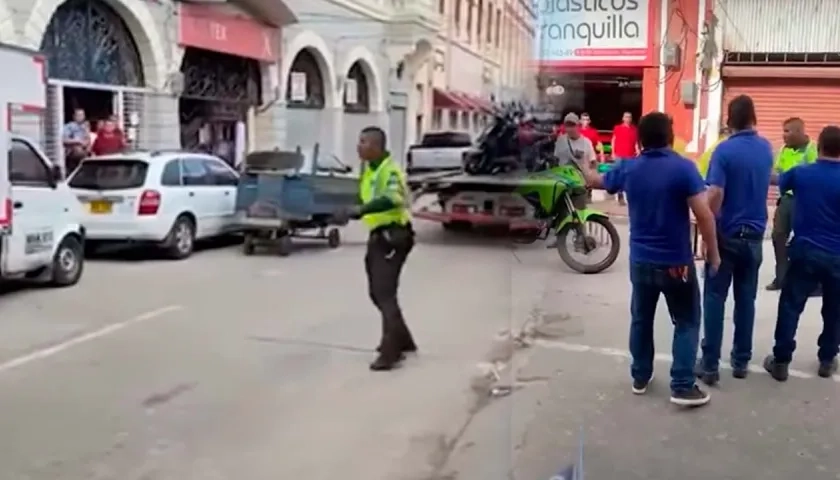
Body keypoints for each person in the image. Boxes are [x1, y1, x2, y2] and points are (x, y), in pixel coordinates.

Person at [580, 111, 720, 408]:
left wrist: (584, 165)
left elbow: (596, 180)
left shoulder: (629, 168)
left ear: (640, 140)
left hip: (641, 261)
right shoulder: (684, 168)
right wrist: (713, 252)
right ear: (670, 136)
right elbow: (704, 215)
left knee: (641, 319)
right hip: (676, 263)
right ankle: (682, 385)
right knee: (686, 320)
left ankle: (640, 376)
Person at [696, 95, 774, 386]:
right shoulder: (766, 149)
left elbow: (715, 193)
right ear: (753, 117)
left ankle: (710, 364)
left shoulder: (724, 151)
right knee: (746, 299)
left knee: (714, 298)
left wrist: (707, 231)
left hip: (726, 234)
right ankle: (741, 360)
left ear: (729, 120)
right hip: (754, 236)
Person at [763, 125, 840, 381]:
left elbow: (778, 180)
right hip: (837, 254)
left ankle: (781, 361)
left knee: (790, 306)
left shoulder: (801, 173)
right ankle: (827, 359)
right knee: (835, 310)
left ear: (819, 146)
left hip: (805, 250)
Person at [337, 127, 417, 371]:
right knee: (377, 293)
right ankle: (404, 340)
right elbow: (365, 197)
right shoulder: (370, 169)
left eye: (363, 142)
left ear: (376, 146)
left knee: (384, 293)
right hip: (378, 236)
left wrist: (361, 210)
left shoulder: (389, 170)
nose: (358, 146)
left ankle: (391, 352)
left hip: (394, 236)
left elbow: (393, 198)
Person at [766, 117, 818, 291]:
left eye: (787, 131)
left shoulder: (812, 150)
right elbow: (776, 173)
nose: (784, 135)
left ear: (799, 131)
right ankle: (781, 277)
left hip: (805, 200)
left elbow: (816, 175)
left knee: (805, 240)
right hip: (786, 200)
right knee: (778, 236)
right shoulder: (783, 150)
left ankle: (809, 279)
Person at [554, 112, 597, 203]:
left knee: (580, 208)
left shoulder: (586, 142)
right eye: (567, 126)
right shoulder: (560, 141)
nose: (570, 129)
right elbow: (555, 160)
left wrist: (592, 178)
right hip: (564, 185)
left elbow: (593, 162)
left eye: (572, 125)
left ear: (578, 126)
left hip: (581, 186)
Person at [610, 112, 640, 205]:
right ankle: (620, 194)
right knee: (619, 174)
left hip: (630, 156)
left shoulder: (634, 129)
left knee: (628, 176)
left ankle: (628, 195)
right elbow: (613, 140)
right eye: (626, 117)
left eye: (629, 117)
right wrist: (613, 152)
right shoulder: (617, 128)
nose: (628, 119)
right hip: (619, 155)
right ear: (623, 118)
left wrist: (638, 150)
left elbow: (636, 142)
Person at [62, 108, 90, 172]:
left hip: (84, 153)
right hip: (72, 153)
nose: (81, 117)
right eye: (78, 115)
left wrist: (87, 132)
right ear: (74, 116)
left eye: (82, 115)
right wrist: (77, 141)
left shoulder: (85, 126)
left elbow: (87, 140)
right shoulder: (69, 126)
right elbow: (64, 140)